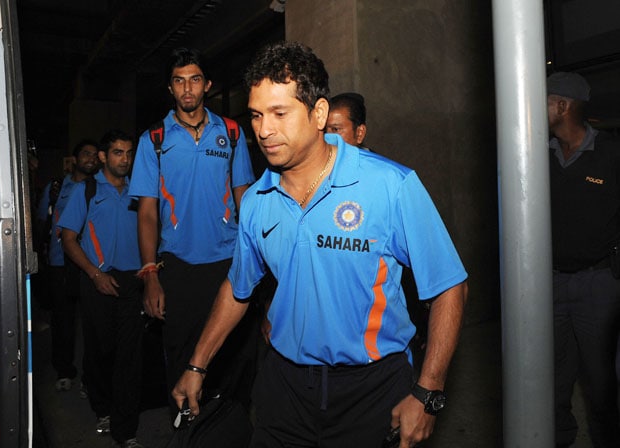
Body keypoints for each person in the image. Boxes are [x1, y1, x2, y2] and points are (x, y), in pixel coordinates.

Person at [173, 41, 468, 448]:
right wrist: (197, 364)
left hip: (373, 390)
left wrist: (428, 392)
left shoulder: (390, 185)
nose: (263, 130)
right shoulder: (258, 200)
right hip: (284, 388)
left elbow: (450, 286)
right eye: (257, 115)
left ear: (319, 114)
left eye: (280, 113)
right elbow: (237, 289)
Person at [130, 47, 256, 412]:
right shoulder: (152, 140)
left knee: (231, 359)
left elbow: (244, 198)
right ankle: (185, 431)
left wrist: (254, 258)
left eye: (195, 80)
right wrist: (150, 274)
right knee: (183, 358)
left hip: (227, 262)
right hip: (178, 266)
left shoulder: (231, 133)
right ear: (170, 88)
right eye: (179, 81)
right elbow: (147, 214)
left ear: (208, 85)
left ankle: (228, 433)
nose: (187, 89)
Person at [546, 71, 620, 448]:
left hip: (598, 285)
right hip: (551, 283)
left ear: (563, 106)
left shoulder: (610, 154)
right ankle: (561, 439)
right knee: (554, 378)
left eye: (544, 101)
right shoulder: (537, 157)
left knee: (603, 379)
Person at [59, 130, 144, 448]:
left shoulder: (140, 192)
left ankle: (125, 428)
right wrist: (95, 275)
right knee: (100, 351)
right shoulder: (87, 190)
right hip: (98, 280)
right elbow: (68, 240)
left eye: (129, 153)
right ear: (105, 157)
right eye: (119, 153)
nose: (126, 159)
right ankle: (101, 405)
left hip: (132, 282)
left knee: (130, 356)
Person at [36, 140, 99, 393]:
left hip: (91, 263)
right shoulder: (57, 187)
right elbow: (42, 221)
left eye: (95, 155)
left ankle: (91, 376)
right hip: (60, 262)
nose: (91, 159)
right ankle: (64, 369)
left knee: (94, 322)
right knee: (63, 320)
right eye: (86, 154)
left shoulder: (99, 187)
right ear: (75, 159)